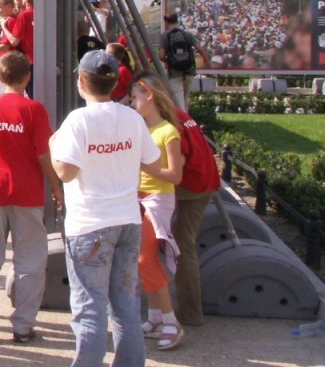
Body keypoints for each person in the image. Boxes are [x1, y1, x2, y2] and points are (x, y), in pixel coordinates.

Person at [49, 50, 163, 367]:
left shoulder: (78, 121)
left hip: (90, 226)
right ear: (114, 84)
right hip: (127, 220)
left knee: (90, 308)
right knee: (126, 305)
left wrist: (52, 147)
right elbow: (153, 161)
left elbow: (66, 172)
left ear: (82, 81)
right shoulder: (131, 118)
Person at [0, 52, 62, 343]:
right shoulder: (34, 110)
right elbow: (44, 154)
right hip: (27, 193)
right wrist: (56, 186)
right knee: (30, 261)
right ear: (27, 77)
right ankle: (23, 325)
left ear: (1, 78)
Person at [129, 72, 186, 350]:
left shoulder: (168, 132)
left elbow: (175, 175)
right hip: (139, 197)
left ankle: (170, 321)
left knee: (145, 260)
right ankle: (154, 317)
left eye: (135, 98)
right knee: (144, 259)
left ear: (148, 96)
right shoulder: (142, 128)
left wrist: (147, 167)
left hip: (158, 199)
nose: (132, 103)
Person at [168, 93, 221, 326]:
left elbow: (174, 169)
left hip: (194, 187)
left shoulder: (170, 123)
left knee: (183, 246)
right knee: (179, 243)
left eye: (134, 98)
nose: (131, 103)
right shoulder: (177, 114)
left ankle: (191, 312)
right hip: (202, 182)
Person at [158, 14, 207, 110]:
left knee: (178, 101)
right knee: (185, 99)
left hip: (174, 73)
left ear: (167, 23)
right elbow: (200, 49)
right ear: (177, 21)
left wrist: (170, 61)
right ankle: (187, 122)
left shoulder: (165, 36)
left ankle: (182, 122)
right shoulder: (186, 34)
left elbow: (161, 56)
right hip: (188, 70)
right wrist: (205, 59)